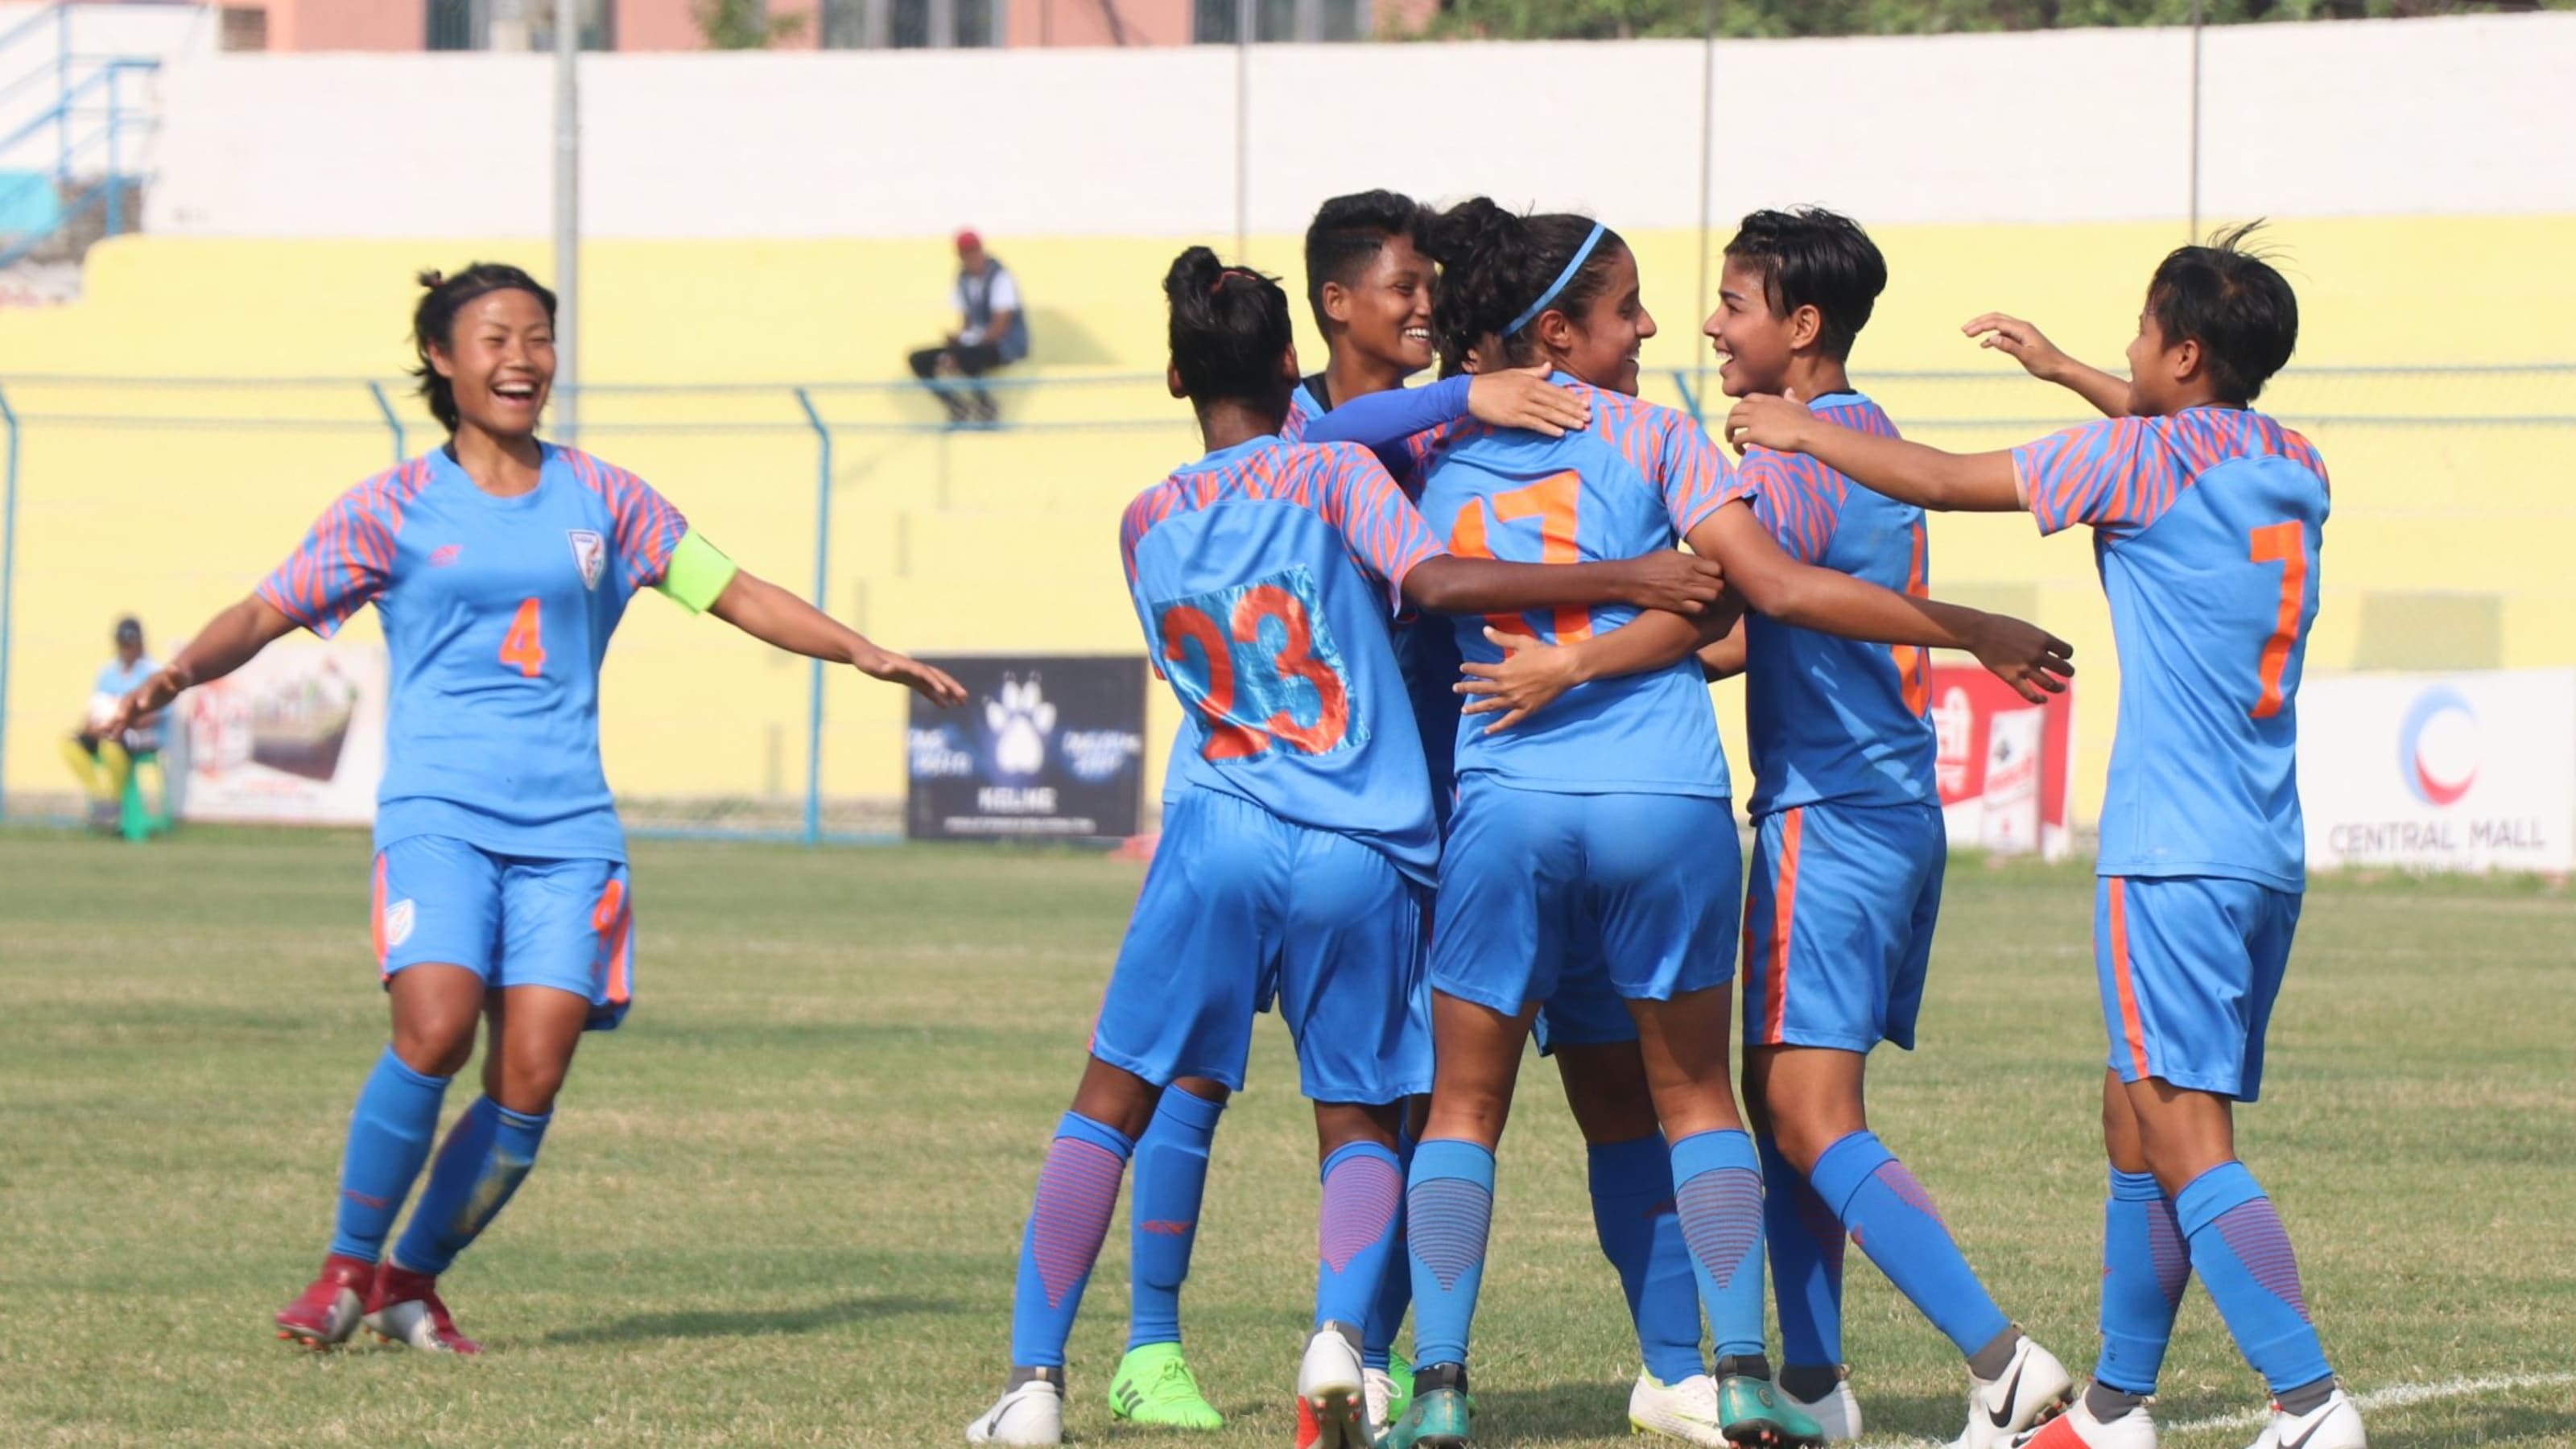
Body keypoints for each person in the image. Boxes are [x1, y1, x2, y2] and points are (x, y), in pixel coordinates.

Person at [105, 263, 966, 1357]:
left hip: (569, 832)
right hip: (438, 812)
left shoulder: (607, 498)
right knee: (434, 1028)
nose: (521, 359)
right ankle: (343, 1271)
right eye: (495, 339)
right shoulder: (390, 506)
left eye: (539, 338)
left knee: (532, 1078)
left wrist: (860, 650)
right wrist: (179, 672)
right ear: (442, 358)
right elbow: (267, 607)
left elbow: (734, 588)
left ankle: (411, 1282)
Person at [962, 246, 1732, 1449]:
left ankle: (1032, 1383)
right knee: (1363, 1121)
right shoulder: (1331, 472)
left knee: (1109, 1104)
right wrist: (1628, 573)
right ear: (1292, 362)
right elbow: (1435, 580)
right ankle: (1341, 1340)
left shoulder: (1142, 519)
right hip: (1359, 845)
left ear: (1175, 377)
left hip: (1217, 826)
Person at [1335, 198, 2071, 1449]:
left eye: (1713, 303)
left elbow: (1333, 452)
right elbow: (1743, 596)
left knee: (1465, 1109)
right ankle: (1749, 1374)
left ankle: (1439, 1389)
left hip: (1515, 803)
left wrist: (1464, 409)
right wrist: (1967, 624)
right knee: (1707, 1103)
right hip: (1677, 801)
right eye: (1630, 308)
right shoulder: (1673, 436)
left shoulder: (1433, 455)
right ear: (1558, 332)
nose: (1664, 326)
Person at [1722, 225, 2363, 1449]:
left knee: (2182, 1132)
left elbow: (1940, 477)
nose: (2127, 351)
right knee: (2136, 1120)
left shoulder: (2134, 460)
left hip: (2168, 851)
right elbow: (2162, 419)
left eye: (2140, 333)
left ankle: (2308, 1401)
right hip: (2260, 848)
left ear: (2183, 353)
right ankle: (2115, 1408)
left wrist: (1801, 431)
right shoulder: (2292, 459)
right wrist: (2067, 369)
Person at [909, 229, 1030, 427]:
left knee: (966, 354)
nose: (972, 257)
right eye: (966, 253)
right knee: (918, 359)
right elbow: (967, 323)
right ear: (960, 256)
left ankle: (986, 404)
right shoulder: (962, 280)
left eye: (975, 250)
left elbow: (1000, 327)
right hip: (974, 345)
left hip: (1005, 346)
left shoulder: (1001, 278)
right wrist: (957, 341)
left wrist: (962, 348)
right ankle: (955, 406)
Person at [62, 616, 164, 832]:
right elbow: (96, 707)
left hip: (140, 735)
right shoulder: (108, 672)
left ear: (140, 643)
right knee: (71, 744)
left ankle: (115, 801)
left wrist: (123, 723)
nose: (126, 648)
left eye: (130, 643)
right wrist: (91, 727)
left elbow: (155, 714)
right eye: (122, 643)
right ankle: (101, 798)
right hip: (108, 730)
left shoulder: (153, 672)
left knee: (111, 746)